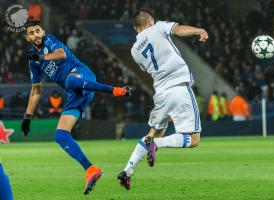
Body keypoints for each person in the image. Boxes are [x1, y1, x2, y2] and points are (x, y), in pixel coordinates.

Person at [21, 20, 131, 195]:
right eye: (32, 33)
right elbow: (36, 91)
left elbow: (61, 54)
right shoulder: (33, 62)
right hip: (75, 92)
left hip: (82, 75)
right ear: (27, 37)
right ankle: (90, 169)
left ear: (43, 31)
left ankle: (115, 90)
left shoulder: (49, 40)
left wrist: (41, 57)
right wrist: (27, 116)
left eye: (38, 31)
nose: (36, 35)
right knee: (60, 135)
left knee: (70, 80)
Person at [117, 9, 208, 190]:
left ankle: (127, 170)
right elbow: (178, 29)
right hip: (179, 88)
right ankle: (157, 145)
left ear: (136, 29)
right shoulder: (159, 27)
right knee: (194, 139)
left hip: (161, 95)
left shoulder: (135, 50)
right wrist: (199, 30)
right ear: (150, 21)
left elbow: (147, 68)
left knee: (153, 132)